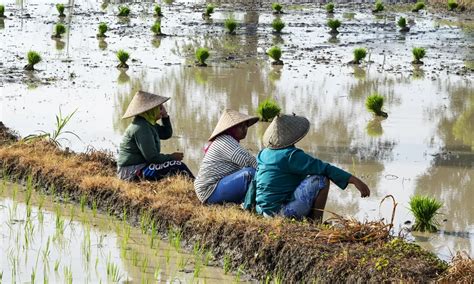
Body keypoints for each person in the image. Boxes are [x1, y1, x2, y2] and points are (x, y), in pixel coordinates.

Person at [255, 114, 370, 222]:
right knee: (322, 180)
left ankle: (309, 218)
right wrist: (355, 180)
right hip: (279, 214)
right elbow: (324, 168)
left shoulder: (263, 153)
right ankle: (316, 222)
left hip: (262, 211)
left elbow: (255, 182)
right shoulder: (291, 155)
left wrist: (248, 206)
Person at [117, 90, 194, 181]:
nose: (161, 110)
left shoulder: (148, 123)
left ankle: (195, 185)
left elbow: (166, 133)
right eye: (159, 108)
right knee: (178, 166)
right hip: (131, 172)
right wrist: (172, 157)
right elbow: (152, 157)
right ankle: (197, 188)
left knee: (176, 166)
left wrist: (165, 116)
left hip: (141, 166)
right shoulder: (141, 128)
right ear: (151, 110)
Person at [194, 109, 259, 204]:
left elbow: (249, 160)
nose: (245, 129)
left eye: (246, 125)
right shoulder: (225, 141)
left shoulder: (227, 140)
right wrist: (269, 170)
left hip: (216, 186)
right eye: (241, 126)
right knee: (249, 174)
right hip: (209, 191)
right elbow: (248, 161)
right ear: (231, 128)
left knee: (252, 171)